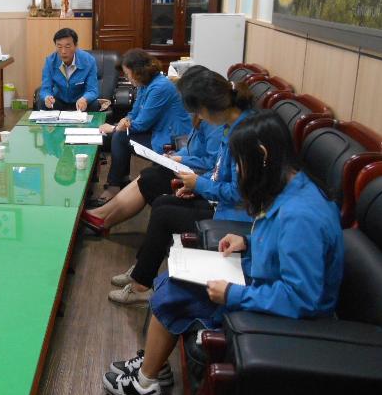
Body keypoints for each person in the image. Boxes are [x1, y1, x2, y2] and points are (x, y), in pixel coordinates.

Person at [102, 111, 344, 395]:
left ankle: (145, 386)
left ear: (262, 155)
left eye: (240, 163)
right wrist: (249, 241)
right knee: (172, 278)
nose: (239, 172)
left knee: (176, 291)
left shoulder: (301, 216)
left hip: (286, 314)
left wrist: (232, 294)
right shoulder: (294, 188)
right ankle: (155, 366)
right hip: (264, 281)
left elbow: (301, 299)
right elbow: (284, 246)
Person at [80, 67, 248, 246]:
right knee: (149, 175)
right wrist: (176, 156)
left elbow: (214, 165)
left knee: (150, 179)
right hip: (201, 177)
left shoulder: (226, 128)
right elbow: (193, 148)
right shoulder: (214, 119)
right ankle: (102, 216)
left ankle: (102, 217)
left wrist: (189, 171)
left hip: (205, 181)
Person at [95, 49, 192, 204]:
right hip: (158, 131)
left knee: (120, 136)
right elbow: (134, 113)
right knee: (121, 135)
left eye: (128, 74)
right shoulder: (144, 85)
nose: (127, 78)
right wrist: (125, 121)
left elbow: (142, 124)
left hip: (173, 140)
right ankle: (121, 181)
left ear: (139, 71)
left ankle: (114, 185)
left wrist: (114, 128)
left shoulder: (160, 87)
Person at [37, 28, 99, 111]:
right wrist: (47, 97)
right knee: (42, 102)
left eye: (67, 46)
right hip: (59, 101)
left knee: (94, 104)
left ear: (76, 46)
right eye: (59, 46)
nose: (63, 51)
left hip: (80, 102)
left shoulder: (89, 61)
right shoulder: (50, 62)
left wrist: (85, 99)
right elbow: (46, 88)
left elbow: (92, 90)